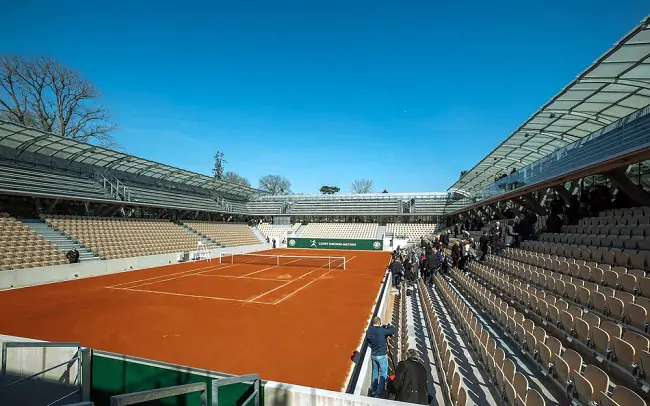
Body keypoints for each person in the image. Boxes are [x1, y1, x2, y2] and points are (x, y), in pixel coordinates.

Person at [365, 317, 395, 398]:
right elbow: (392, 330)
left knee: (375, 372)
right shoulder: (381, 330)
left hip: (374, 355)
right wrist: (388, 326)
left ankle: (373, 390)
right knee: (383, 374)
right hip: (382, 356)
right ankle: (379, 394)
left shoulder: (369, 330)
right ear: (379, 323)